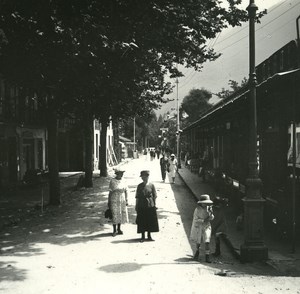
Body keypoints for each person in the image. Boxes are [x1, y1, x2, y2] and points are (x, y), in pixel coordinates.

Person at [135, 170, 159, 242]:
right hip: (141, 205)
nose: (143, 178)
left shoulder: (151, 185)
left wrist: (154, 204)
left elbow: (155, 196)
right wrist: (136, 205)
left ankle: (149, 236)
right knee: (142, 220)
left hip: (150, 205)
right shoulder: (139, 186)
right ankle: (142, 236)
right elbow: (137, 197)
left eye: (144, 176)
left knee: (150, 220)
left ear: (147, 176)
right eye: (142, 177)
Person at [190, 194, 214, 263]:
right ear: (201, 203)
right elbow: (195, 220)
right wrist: (203, 220)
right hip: (199, 227)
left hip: (207, 226)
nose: (206, 204)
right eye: (205, 203)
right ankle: (197, 253)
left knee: (207, 241)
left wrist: (211, 214)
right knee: (198, 242)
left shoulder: (209, 208)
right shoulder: (197, 209)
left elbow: (212, 218)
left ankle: (207, 256)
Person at [108, 167, 129, 237]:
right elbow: (110, 192)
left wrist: (127, 199)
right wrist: (109, 201)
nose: (121, 175)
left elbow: (126, 191)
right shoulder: (112, 181)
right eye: (120, 173)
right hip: (114, 199)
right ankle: (114, 230)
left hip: (122, 199)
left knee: (120, 213)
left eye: (122, 173)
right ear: (116, 174)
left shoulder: (124, 181)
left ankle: (119, 229)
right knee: (115, 213)